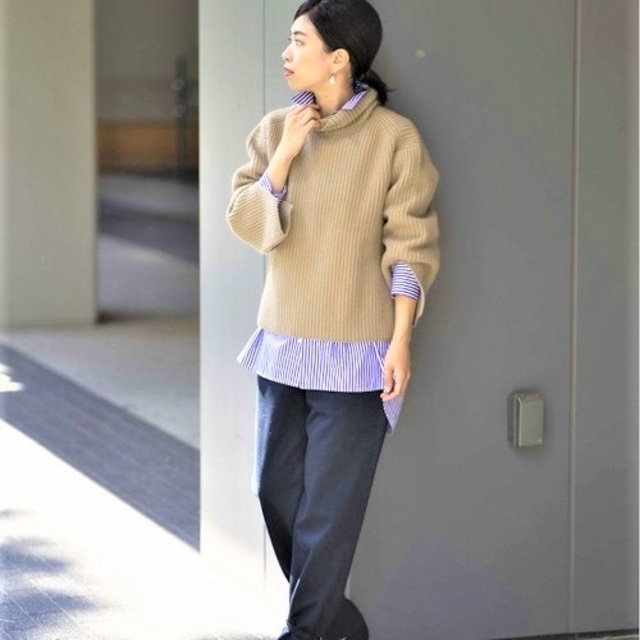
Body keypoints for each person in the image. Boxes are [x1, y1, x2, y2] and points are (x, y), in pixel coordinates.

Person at [226, 1, 440, 638]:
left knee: (327, 513)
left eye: (299, 41)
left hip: (357, 357)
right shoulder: (274, 131)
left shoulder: (395, 139)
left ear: (339, 58)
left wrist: (400, 342)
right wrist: (285, 158)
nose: (286, 53)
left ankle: (307, 632)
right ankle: (337, 622)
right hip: (283, 348)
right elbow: (249, 227)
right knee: (274, 492)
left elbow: (411, 247)